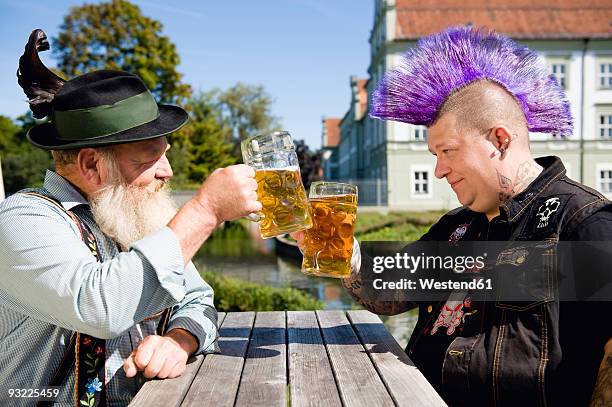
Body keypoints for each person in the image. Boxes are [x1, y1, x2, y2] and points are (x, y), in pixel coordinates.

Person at [294, 26, 612, 406]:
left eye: (448, 151)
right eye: (435, 155)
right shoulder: (459, 225)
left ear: (499, 140)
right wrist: (344, 253)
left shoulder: (583, 224)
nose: (439, 171)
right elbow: (392, 290)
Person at [0, 30, 261, 406]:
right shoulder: (22, 221)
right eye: (148, 158)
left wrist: (178, 340)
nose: (167, 171)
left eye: (165, 154)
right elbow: (99, 307)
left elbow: (199, 299)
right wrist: (205, 211)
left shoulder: (130, 215)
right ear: (91, 164)